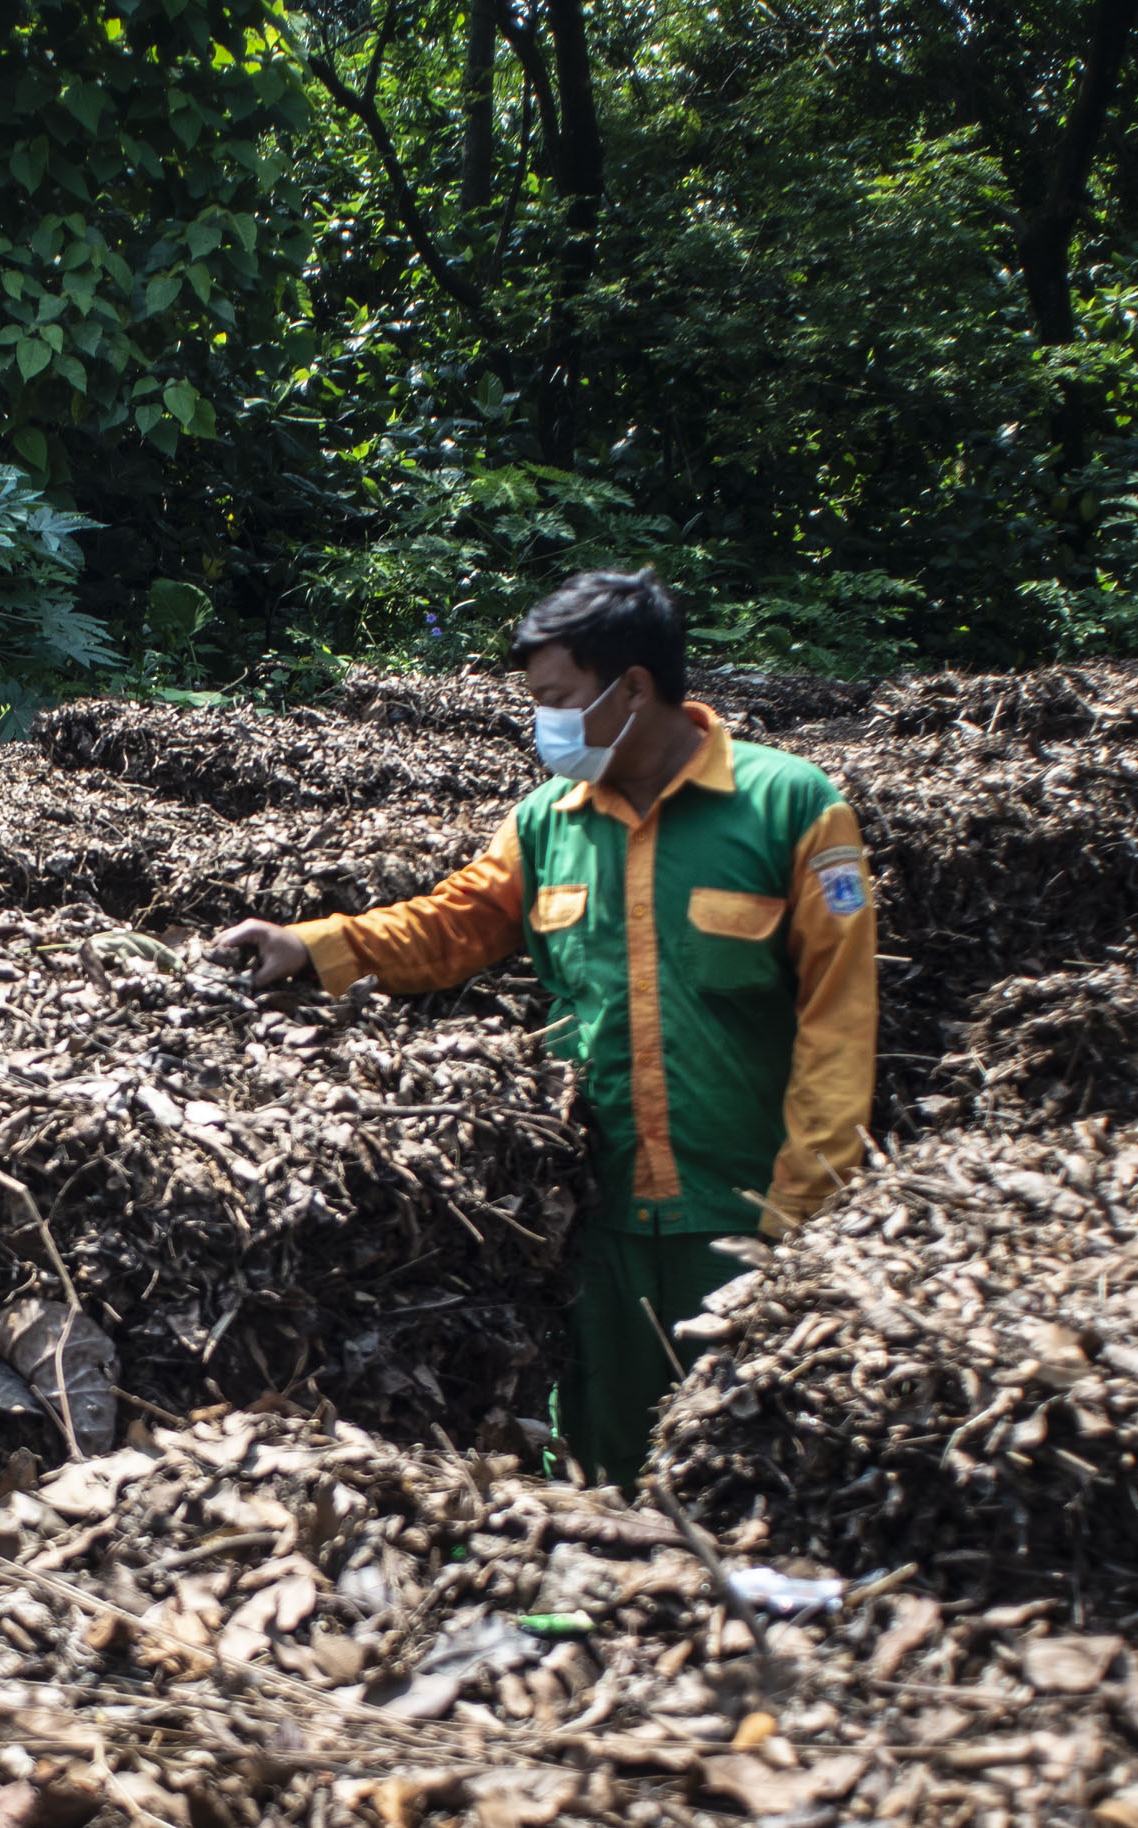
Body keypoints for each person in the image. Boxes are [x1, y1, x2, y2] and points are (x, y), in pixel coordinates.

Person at [212, 570, 876, 1484]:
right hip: (599, 1217)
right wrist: (315, 944)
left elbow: (839, 1024)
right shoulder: (545, 823)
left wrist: (800, 1215)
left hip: (744, 1211)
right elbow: (452, 927)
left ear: (633, 689)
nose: (543, 726)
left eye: (557, 701)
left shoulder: (792, 809)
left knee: (746, 1472)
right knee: (603, 1471)